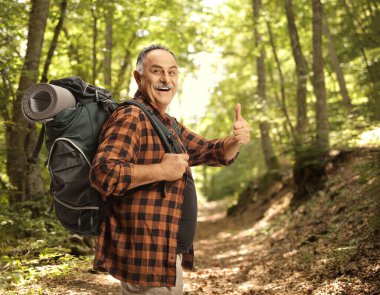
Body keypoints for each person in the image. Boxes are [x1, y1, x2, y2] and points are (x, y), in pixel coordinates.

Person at [90, 44, 250, 294]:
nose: (166, 79)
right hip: (146, 256)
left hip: (164, 252)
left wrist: (235, 139)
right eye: (157, 71)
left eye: (172, 72)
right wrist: (161, 171)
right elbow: (103, 173)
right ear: (138, 77)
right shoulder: (132, 116)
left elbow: (210, 151)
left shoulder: (167, 123)